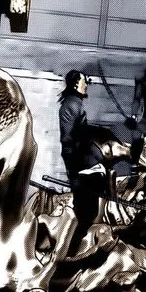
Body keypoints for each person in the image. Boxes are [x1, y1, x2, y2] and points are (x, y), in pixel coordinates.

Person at [59, 70, 114, 242]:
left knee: (89, 205)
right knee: (85, 209)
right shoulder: (72, 106)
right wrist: (76, 168)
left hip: (81, 160)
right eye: (84, 81)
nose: (87, 84)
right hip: (78, 163)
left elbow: (80, 131)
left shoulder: (74, 104)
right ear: (76, 84)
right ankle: (76, 242)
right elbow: (69, 138)